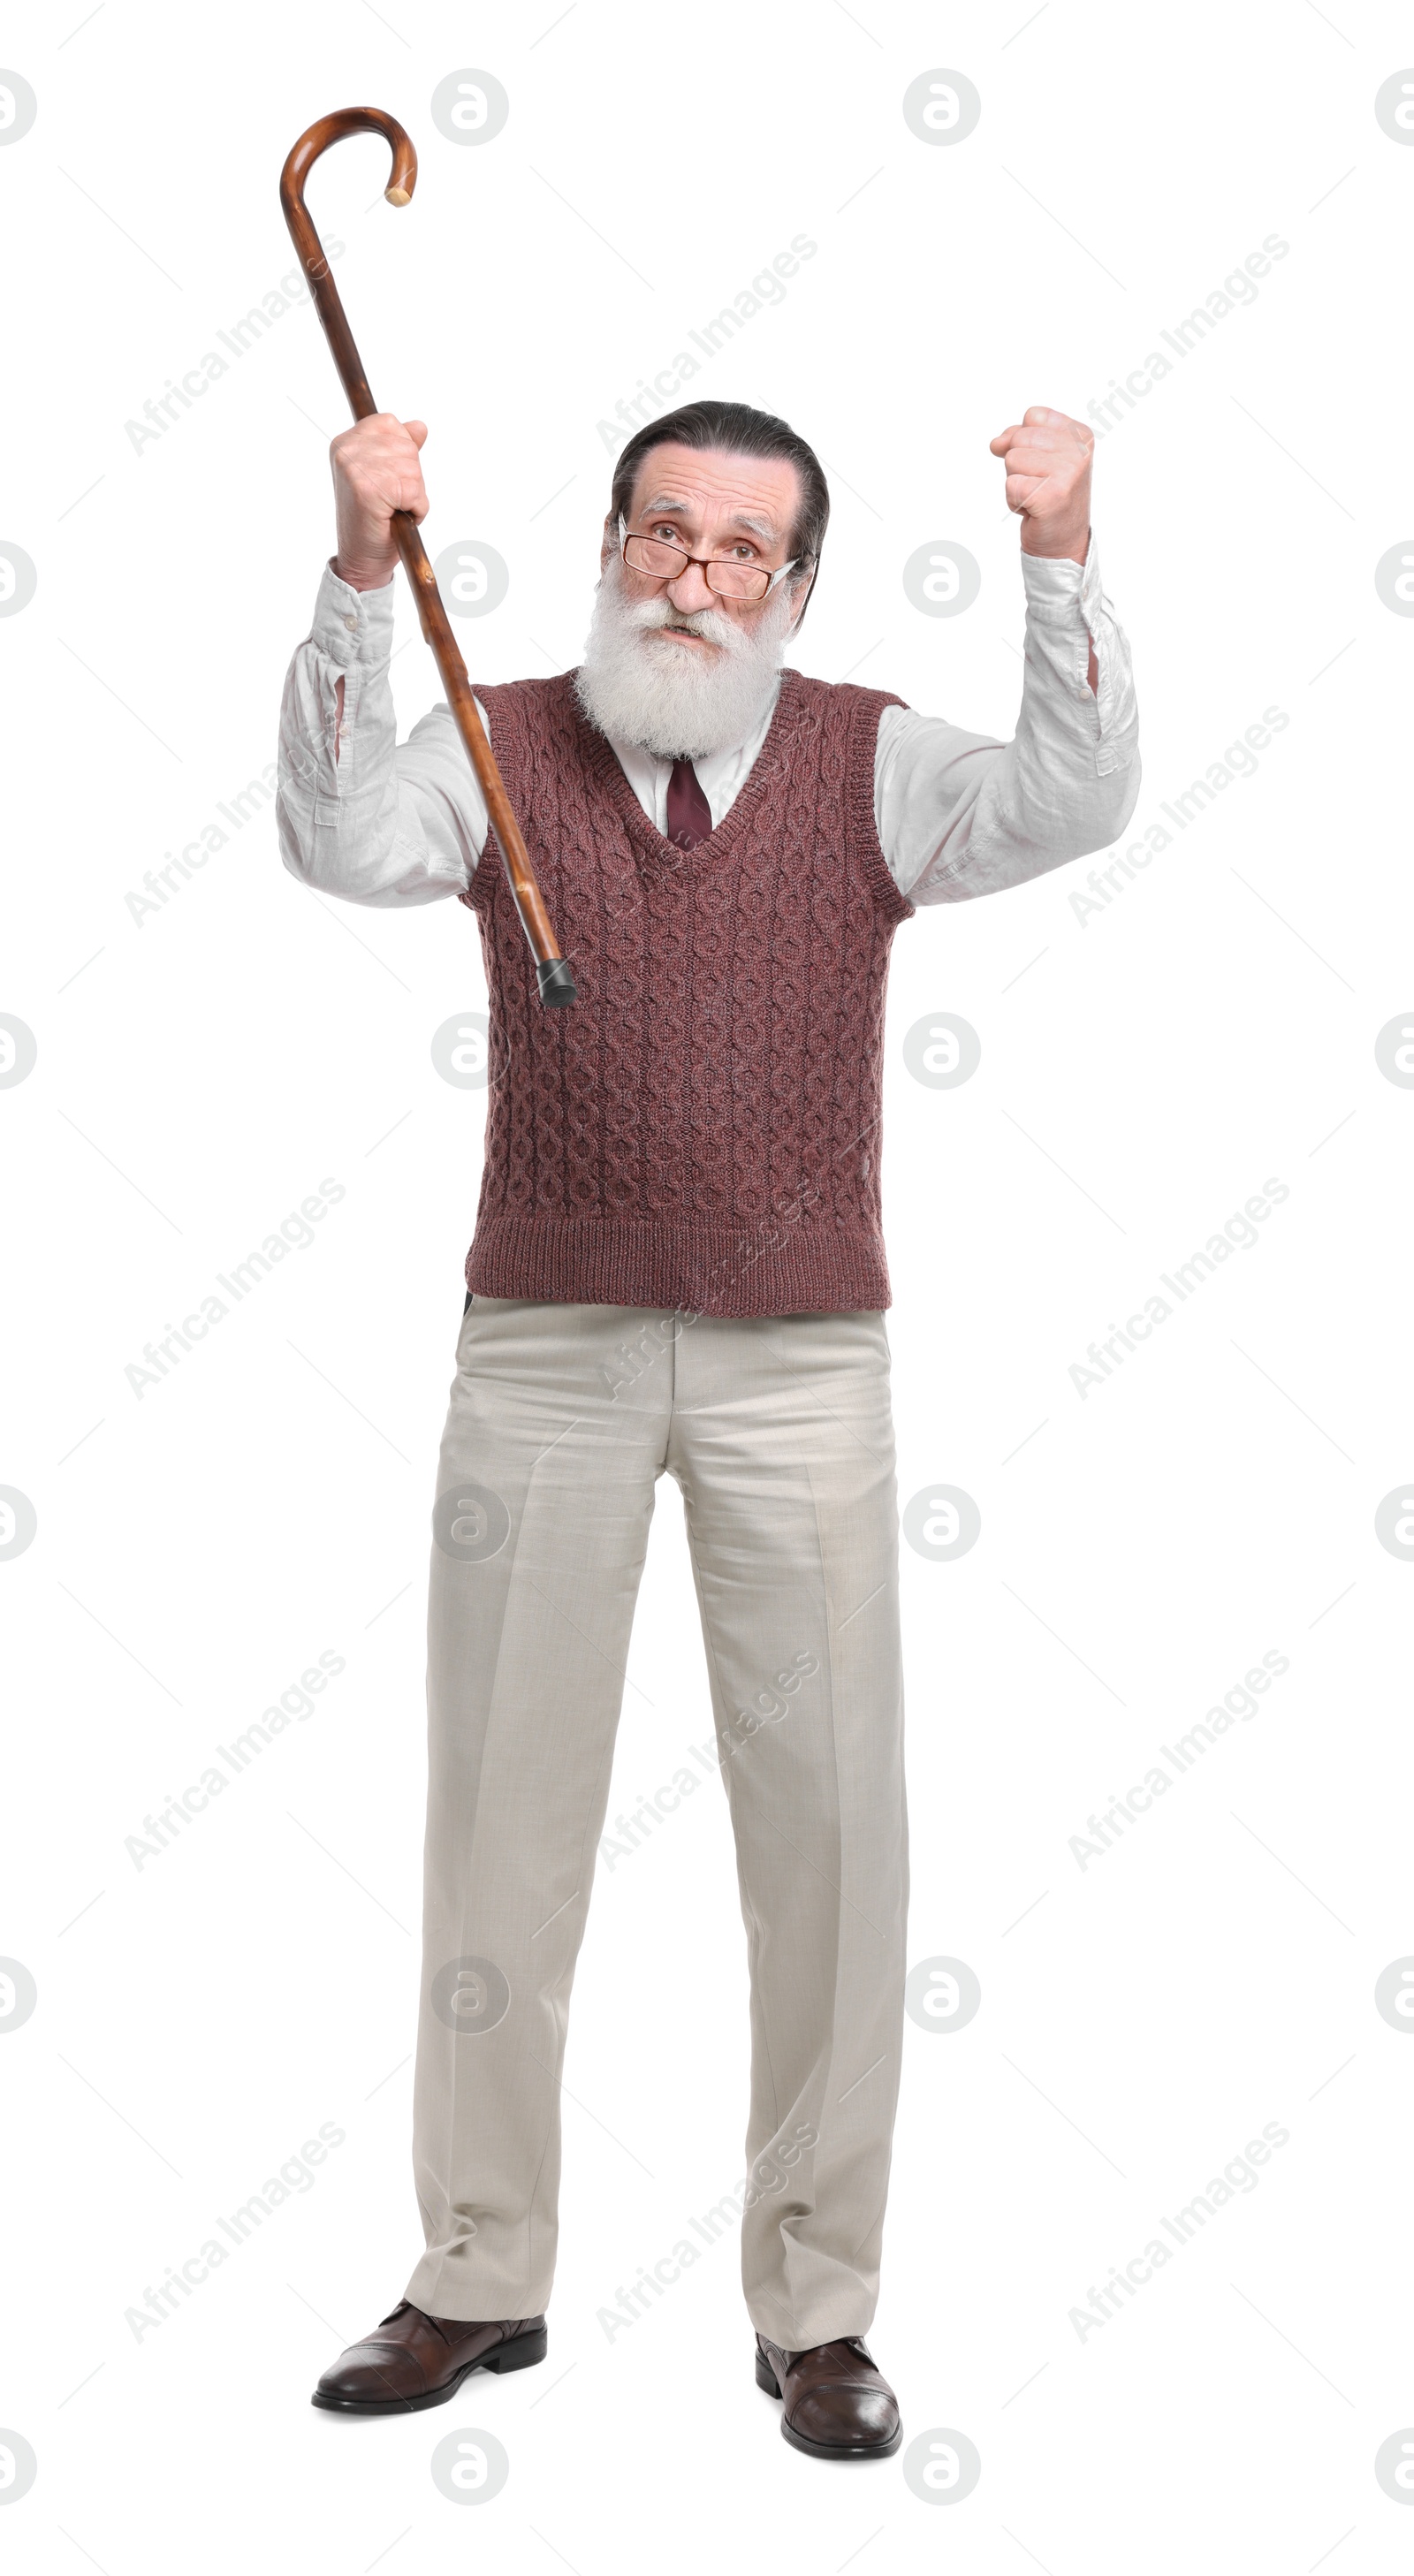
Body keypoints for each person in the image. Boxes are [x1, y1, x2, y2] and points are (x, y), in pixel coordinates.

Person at [277, 395, 1138, 2457]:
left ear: (795, 587)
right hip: (543, 1356)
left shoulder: (870, 757)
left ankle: (815, 2306)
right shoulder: (492, 743)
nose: (692, 574)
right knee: (500, 1825)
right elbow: (333, 839)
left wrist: (1059, 554)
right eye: (663, 532)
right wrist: (351, 581)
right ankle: (476, 2273)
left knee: (831, 1834)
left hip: (799, 1370)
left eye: (740, 549)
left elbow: (1074, 799)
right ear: (607, 539)